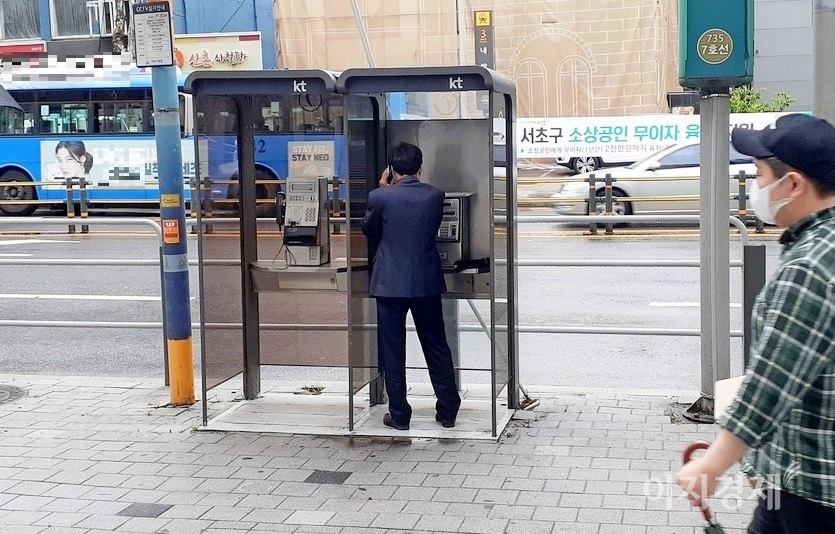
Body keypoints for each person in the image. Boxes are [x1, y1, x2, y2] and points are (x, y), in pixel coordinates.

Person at [676, 114, 835, 533]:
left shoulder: (811, 266)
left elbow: (773, 382)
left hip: (814, 490)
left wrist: (712, 464)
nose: (758, 188)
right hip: (794, 474)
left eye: (761, 176)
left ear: (794, 185)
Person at [361, 141, 461, 431]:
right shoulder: (435, 196)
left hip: (389, 283)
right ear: (421, 167)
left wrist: (383, 187)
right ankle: (447, 409)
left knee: (393, 349)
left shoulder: (380, 196)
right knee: (436, 344)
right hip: (426, 281)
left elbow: (369, 230)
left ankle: (400, 414)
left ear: (392, 169)